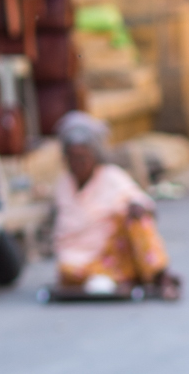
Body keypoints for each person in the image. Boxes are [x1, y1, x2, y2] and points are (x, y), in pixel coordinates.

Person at [51, 112, 180, 299]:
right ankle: (122, 281)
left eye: (82, 157)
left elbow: (143, 204)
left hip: (113, 252)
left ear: (94, 156)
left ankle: (161, 277)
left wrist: (136, 208)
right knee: (68, 271)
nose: (77, 164)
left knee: (137, 220)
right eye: (72, 158)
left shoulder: (111, 176)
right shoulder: (63, 185)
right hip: (81, 260)